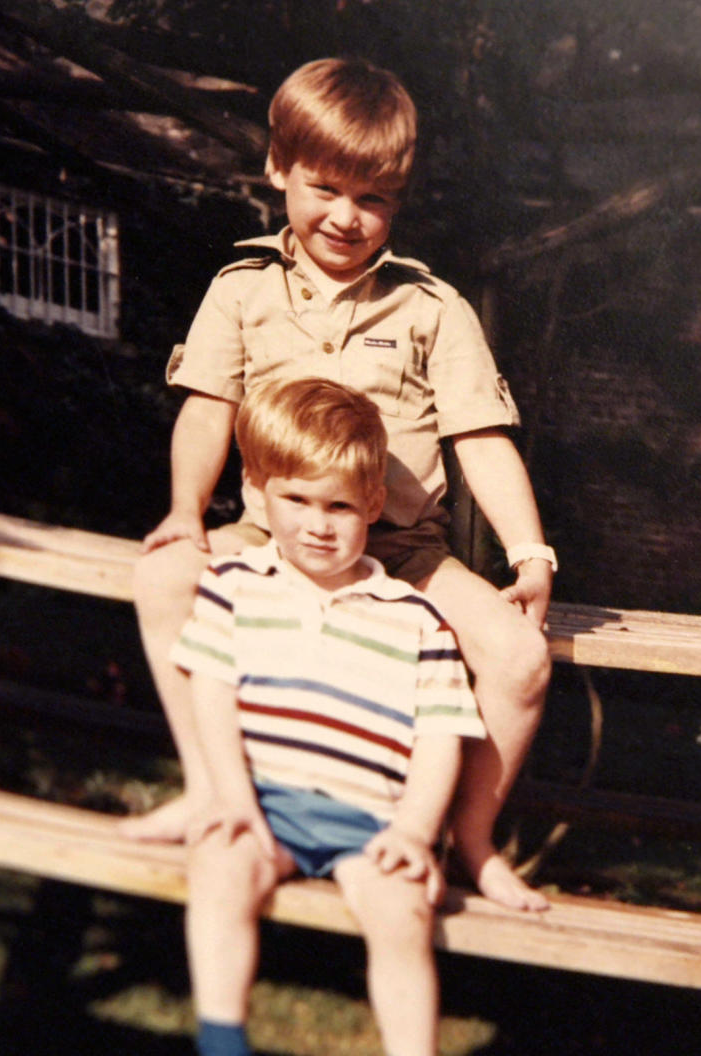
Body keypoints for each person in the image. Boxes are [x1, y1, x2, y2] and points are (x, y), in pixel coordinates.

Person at [122, 56, 555, 911]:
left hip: (403, 552)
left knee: (520, 660)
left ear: (398, 198)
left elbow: (483, 437)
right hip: (274, 540)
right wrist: (183, 512)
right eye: (325, 189)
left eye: (374, 199)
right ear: (279, 167)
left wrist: (530, 553)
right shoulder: (243, 290)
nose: (347, 219)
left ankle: (467, 840)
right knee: (162, 575)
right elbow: (207, 412)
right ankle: (213, 791)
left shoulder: (432, 307)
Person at [181, 377, 485, 1056]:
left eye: (340, 505)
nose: (318, 524)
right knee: (218, 873)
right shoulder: (235, 587)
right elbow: (211, 694)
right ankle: (221, 1041)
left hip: (370, 822)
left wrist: (413, 829)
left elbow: (440, 736)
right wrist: (233, 799)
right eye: (297, 500)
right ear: (258, 493)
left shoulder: (416, 618)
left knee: (400, 916)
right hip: (266, 805)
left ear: (373, 504)